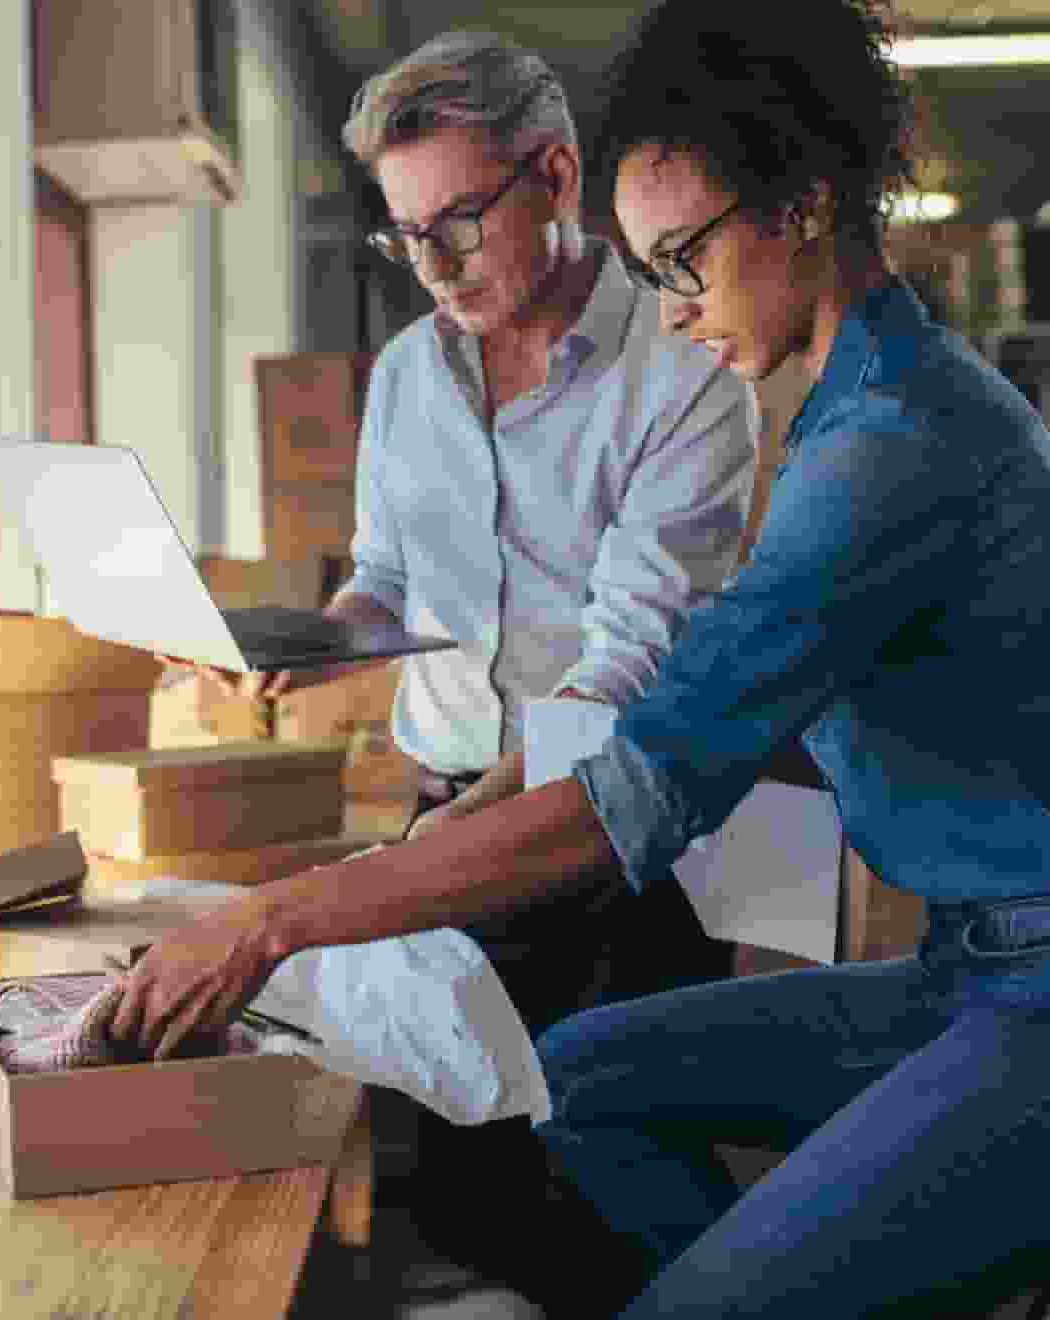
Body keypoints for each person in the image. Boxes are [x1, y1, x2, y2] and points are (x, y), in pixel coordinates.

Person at [114, 0, 1050, 1312]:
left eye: (685, 264)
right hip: (970, 957)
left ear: (803, 206)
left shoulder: (891, 449)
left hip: (1034, 991)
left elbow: (633, 773)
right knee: (586, 1078)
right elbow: (644, 722)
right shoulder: (849, 407)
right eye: (652, 270)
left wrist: (275, 921)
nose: (671, 315)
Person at [194, 29, 758, 1300]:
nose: (434, 267)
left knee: (613, 1166)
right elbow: (386, 575)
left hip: (602, 836)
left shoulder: (684, 376)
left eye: (460, 220)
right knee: (461, 1189)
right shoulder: (406, 377)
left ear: (556, 175)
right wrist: (320, 642)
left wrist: (404, 877)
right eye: (406, 235)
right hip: (447, 806)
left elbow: (623, 680)